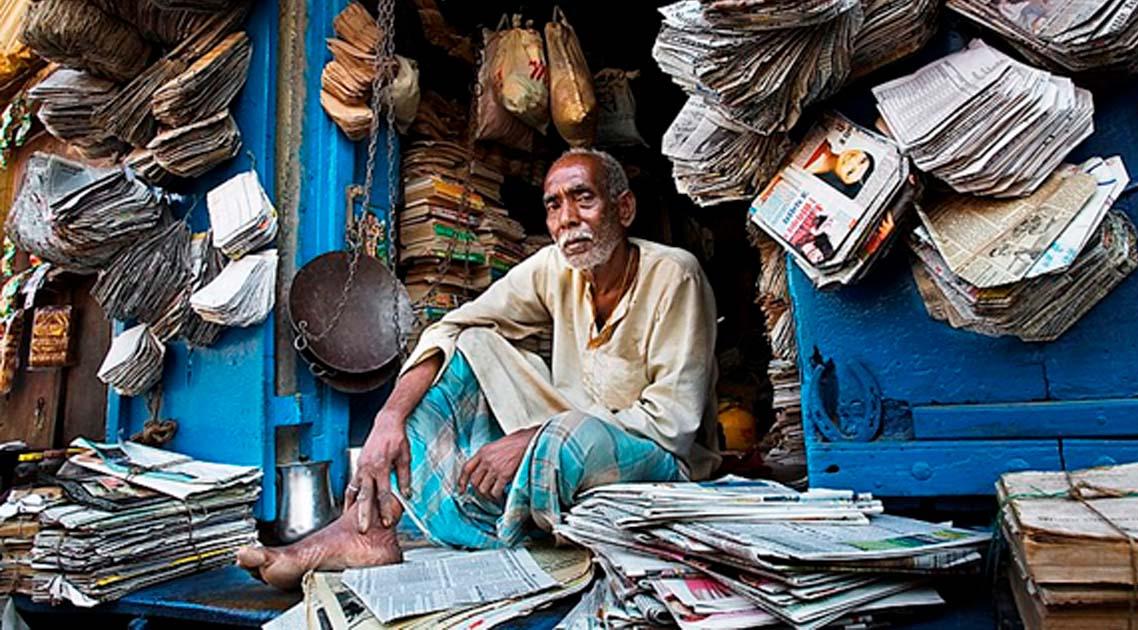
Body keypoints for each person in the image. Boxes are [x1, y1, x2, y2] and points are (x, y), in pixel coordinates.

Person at [237, 148, 721, 589]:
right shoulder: (557, 266)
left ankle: (511, 531)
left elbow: (670, 427)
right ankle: (366, 530)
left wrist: (531, 437)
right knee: (471, 344)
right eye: (553, 205)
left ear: (624, 209)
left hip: (656, 460)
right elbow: (454, 326)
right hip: (568, 435)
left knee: (564, 439)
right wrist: (389, 418)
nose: (567, 219)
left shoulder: (675, 274)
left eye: (583, 199)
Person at [803, 140, 874, 199]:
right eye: (862, 160)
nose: (852, 160)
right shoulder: (826, 143)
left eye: (851, 171)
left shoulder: (809, 165)